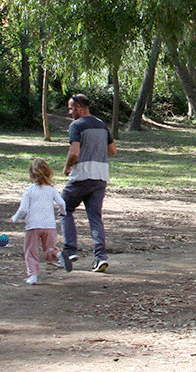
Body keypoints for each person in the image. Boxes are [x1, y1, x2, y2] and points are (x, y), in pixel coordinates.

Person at [61, 94, 117, 273]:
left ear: (78, 107)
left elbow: (74, 152)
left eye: (71, 108)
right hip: (100, 176)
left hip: (81, 176)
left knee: (64, 208)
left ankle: (70, 251)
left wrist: (67, 166)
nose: (70, 112)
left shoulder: (76, 126)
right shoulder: (101, 124)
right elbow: (113, 150)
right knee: (95, 217)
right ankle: (101, 257)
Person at [11, 158, 66, 285]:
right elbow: (62, 203)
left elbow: (23, 209)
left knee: (31, 251)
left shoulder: (29, 191)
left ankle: (33, 276)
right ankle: (58, 254)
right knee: (49, 249)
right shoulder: (52, 190)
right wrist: (63, 212)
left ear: (31, 175)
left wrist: (15, 218)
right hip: (49, 226)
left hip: (33, 226)